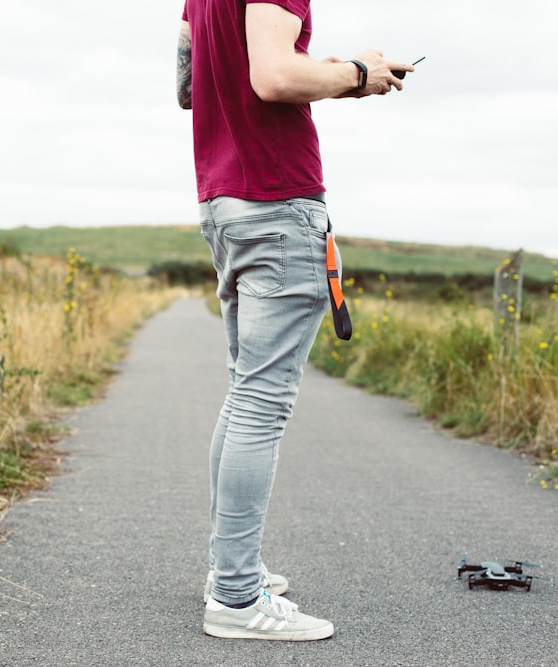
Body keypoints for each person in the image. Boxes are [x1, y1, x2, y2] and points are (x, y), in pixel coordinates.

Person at [176, 0, 413, 641]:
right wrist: (360, 73)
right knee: (260, 404)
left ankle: (231, 572)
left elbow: (188, 84)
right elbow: (275, 78)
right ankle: (234, 599)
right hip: (277, 200)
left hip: (223, 198)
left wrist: (332, 67)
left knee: (244, 393)